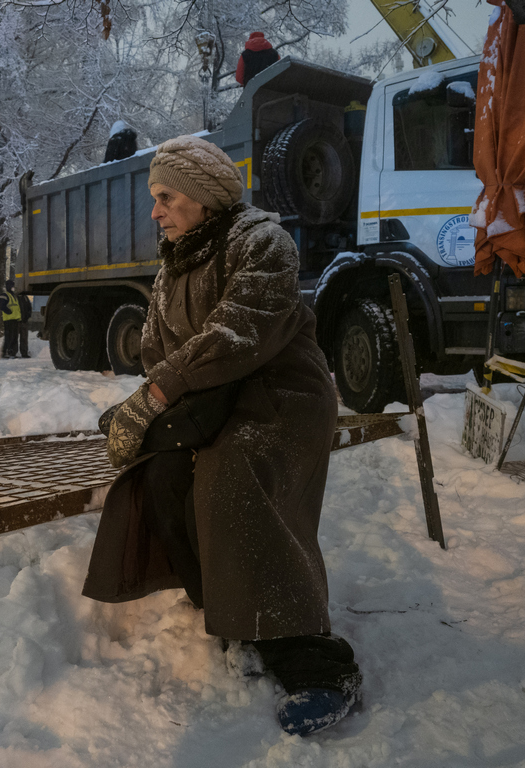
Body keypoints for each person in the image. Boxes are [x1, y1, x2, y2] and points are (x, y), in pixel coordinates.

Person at [83, 135, 361, 737]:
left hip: (280, 397)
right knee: (159, 476)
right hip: (213, 402)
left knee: (232, 474)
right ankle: (233, 610)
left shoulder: (264, 242)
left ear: (204, 198)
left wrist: (154, 396)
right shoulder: (171, 267)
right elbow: (159, 353)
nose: (155, 211)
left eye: (165, 197)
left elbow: (239, 334)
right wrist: (153, 406)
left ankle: (314, 661)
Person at [0, 279, 21, 359]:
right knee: (8, 336)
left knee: (14, 337)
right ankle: (5, 352)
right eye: (12, 286)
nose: (13, 287)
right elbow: (2, 306)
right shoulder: (5, 295)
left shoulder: (14, 295)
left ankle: (11, 352)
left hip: (15, 319)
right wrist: (9, 311)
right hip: (9, 319)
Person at [16, 289, 33, 359]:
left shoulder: (25, 298)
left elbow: (29, 307)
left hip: (24, 321)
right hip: (17, 321)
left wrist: (27, 316)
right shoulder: (15, 298)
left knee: (24, 338)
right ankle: (13, 352)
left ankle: (24, 353)